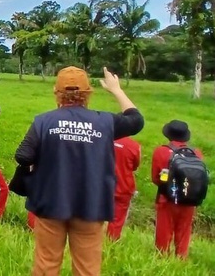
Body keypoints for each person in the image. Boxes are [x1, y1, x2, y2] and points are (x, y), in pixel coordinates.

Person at [14, 66, 144, 276]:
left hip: (50, 202)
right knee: (88, 267)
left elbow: (23, 155)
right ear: (87, 94)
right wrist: (116, 90)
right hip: (91, 204)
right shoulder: (105, 122)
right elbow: (136, 121)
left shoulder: (43, 121)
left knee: (46, 263)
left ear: (57, 93)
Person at [151, 120, 203, 259]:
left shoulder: (161, 151)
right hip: (189, 199)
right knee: (184, 232)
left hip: (166, 198)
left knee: (163, 231)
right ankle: (181, 261)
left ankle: (161, 260)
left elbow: (156, 178)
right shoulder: (196, 153)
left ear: (168, 135)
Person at [108, 136, 141, 241]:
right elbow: (135, 166)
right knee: (117, 220)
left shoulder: (104, 139)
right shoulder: (134, 146)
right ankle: (111, 244)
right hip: (124, 186)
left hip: (102, 185)